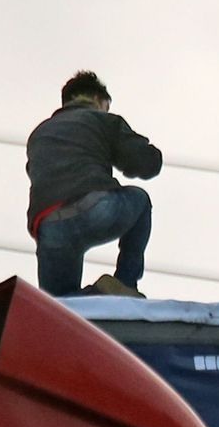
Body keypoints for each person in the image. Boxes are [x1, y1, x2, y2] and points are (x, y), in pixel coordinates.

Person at [26, 70, 162, 298]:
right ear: (99, 100)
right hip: (94, 208)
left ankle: (99, 293)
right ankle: (125, 284)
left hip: (49, 226)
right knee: (140, 199)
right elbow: (146, 163)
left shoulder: (39, 133)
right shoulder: (102, 120)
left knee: (61, 308)